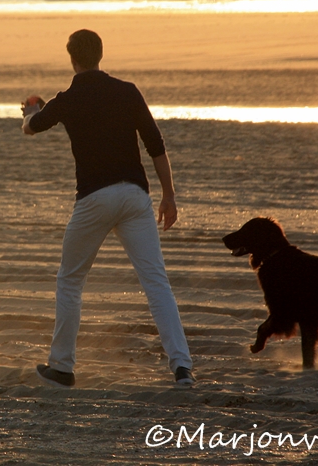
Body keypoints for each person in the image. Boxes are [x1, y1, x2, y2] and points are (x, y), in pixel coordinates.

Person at [22, 29, 194, 387]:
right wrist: (169, 195)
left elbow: (32, 128)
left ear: (72, 58)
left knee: (70, 280)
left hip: (95, 199)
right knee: (156, 282)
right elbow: (155, 144)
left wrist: (31, 111)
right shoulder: (127, 91)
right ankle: (182, 367)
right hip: (135, 196)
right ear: (100, 55)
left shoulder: (67, 99)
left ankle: (62, 367)